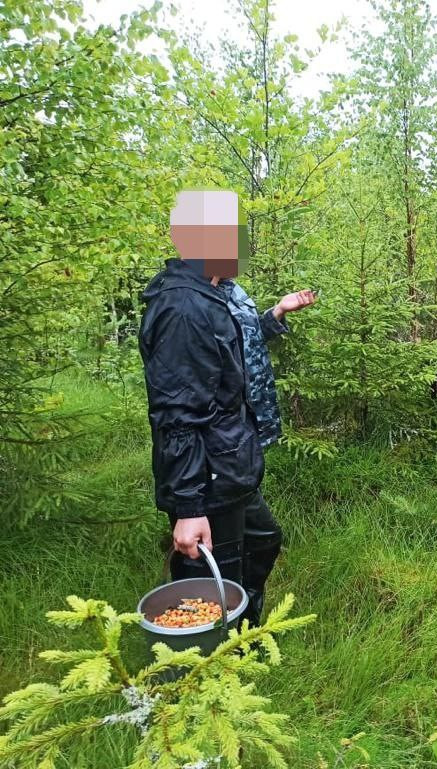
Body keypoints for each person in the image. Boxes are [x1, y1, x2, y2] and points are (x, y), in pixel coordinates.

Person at [139, 189, 315, 626]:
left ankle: (243, 635)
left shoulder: (219, 292)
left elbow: (236, 346)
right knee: (210, 578)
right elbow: (176, 413)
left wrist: (276, 313)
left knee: (263, 542)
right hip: (207, 475)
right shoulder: (183, 307)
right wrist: (188, 508)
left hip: (232, 462)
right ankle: (200, 666)